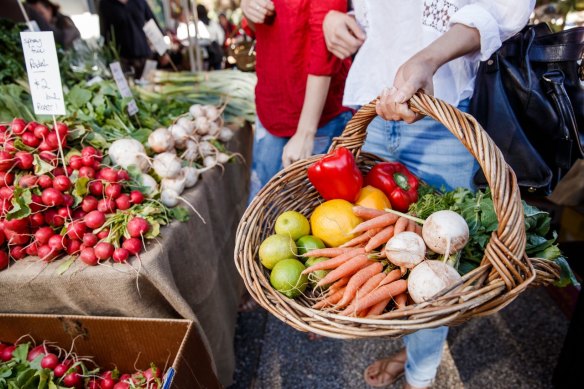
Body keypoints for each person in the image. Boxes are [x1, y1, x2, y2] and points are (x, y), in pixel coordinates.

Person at [322, 1, 535, 388]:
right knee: (378, 251)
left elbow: (504, 8)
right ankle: (411, 354)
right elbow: (382, 20)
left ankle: (420, 373)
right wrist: (342, 22)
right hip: (373, 106)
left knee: (438, 262)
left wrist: (429, 57)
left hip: (443, 111)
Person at [238, 0, 352, 312]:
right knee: (261, 204)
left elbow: (323, 41)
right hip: (271, 105)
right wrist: (247, 11)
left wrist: (305, 131)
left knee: (322, 217)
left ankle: (321, 300)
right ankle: (262, 287)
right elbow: (257, 26)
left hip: (317, 113)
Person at [98, 0, 167, 78]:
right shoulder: (105, 4)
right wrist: (108, 63)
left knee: (149, 87)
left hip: (145, 57)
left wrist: (164, 52)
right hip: (123, 62)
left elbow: (153, 23)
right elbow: (104, 34)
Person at [196, 5, 225, 70]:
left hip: (208, 54)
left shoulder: (198, 25)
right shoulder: (213, 23)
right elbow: (221, 36)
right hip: (214, 52)